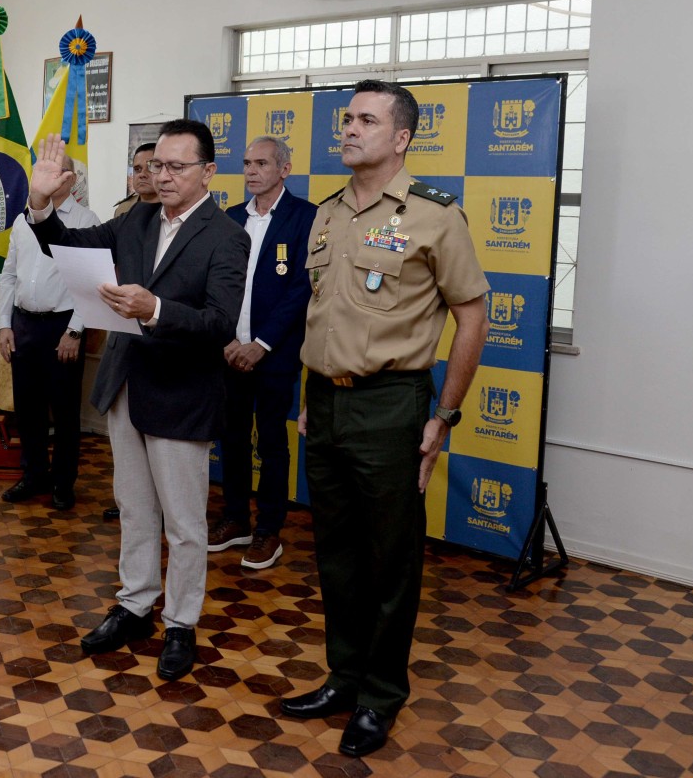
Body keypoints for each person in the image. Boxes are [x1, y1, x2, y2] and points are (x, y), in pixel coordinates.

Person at [281, 80, 488, 757]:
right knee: (336, 552)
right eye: (347, 118)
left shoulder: (434, 215)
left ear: (401, 138)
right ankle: (343, 676)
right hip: (329, 403)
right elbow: (324, 311)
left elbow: (472, 314)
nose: (348, 128)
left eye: (366, 120)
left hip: (392, 403)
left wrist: (445, 414)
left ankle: (379, 695)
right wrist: (314, 393)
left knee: (390, 558)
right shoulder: (329, 213)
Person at [25, 119, 248, 681]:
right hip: (127, 383)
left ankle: (181, 622)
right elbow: (73, 249)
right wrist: (41, 205)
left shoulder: (227, 236)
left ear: (208, 172)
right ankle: (134, 604)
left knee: (184, 523)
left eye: (176, 167)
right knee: (134, 509)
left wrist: (154, 309)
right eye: (154, 166)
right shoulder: (136, 219)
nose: (162, 176)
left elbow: (220, 322)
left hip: (181, 392)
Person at [209, 136, 317, 569]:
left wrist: (261, 344)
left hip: (274, 354)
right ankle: (236, 519)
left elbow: (302, 290)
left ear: (284, 169)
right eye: (247, 163)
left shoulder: (305, 217)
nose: (251, 171)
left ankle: (269, 530)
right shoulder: (230, 217)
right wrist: (228, 341)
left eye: (261, 163)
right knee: (231, 437)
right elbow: (214, 284)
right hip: (229, 352)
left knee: (272, 441)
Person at [0, 154, 100, 510]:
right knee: (28, 409)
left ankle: (63, 483)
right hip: (24, 324)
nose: (48, 178)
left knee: (65, 411)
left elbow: (91, 284)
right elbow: (8, 275)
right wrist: (4, 325)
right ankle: (33, 474)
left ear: (70, 179)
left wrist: (74, 331)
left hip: (63, 327)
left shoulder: (87, 221)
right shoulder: (23, 220)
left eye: (56, 172)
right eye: (42, 171)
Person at [102, 140, 158, 522]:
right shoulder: (125, 214)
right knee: (127, 450)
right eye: (135, 168)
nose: (140, 174)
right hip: (122, 330)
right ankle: (133, 504)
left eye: (149, 167)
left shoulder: (189, 221)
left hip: (163, 339)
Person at [111, 142, 158, 218]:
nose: (142, 174)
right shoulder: (124, 208)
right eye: (137, 169)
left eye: (150, 168)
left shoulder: (175, 209)